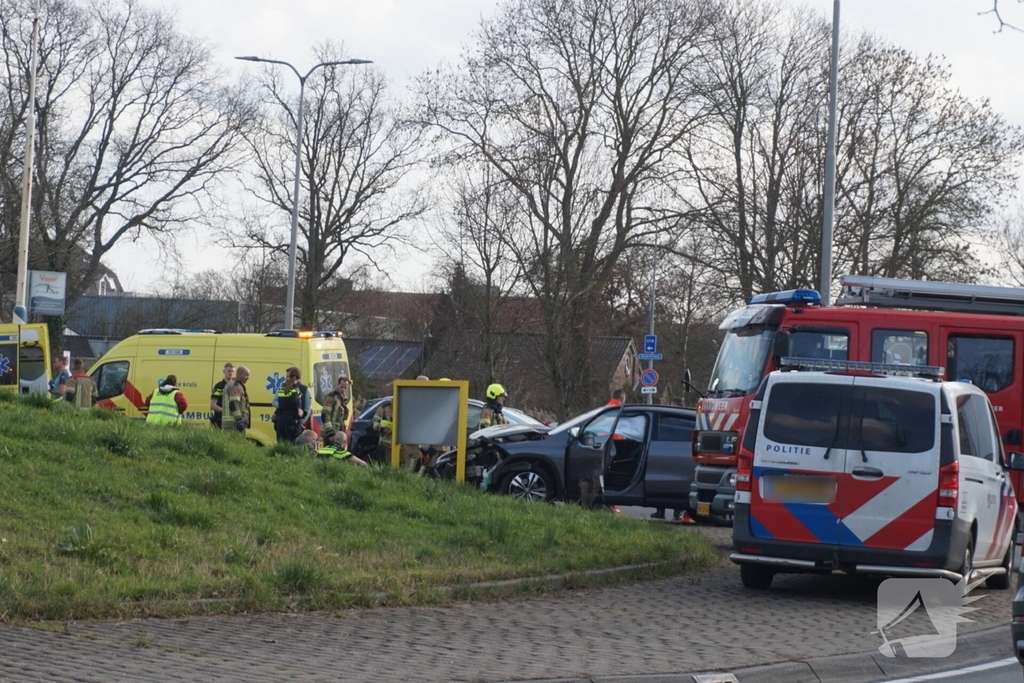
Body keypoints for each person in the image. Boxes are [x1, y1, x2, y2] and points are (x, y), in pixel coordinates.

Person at [272, 367, 306, 443]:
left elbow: (280, 403)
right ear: (298, 378)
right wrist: (299, 413)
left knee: (281, 443)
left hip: (281, 420)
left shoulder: (282, 389)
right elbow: (295, 403)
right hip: (291, 421)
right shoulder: (295, 390)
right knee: (291, 444)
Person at [222, 365, 250, 435]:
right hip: (233, 424)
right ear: (240, 374)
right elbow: (234, 403)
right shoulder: (236, 386)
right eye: (246, 375)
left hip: (231, 423)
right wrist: (239, 419)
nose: (248, 378)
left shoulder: (234, 384)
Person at [209, 362, 234, 428]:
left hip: (232, 421)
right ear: (224, 371)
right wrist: (226, 411)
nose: (231, 373)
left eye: (232, 371)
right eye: (229, 371)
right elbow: (213, 405)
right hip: (219, 420)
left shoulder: (235, 386)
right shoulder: (219, 386)